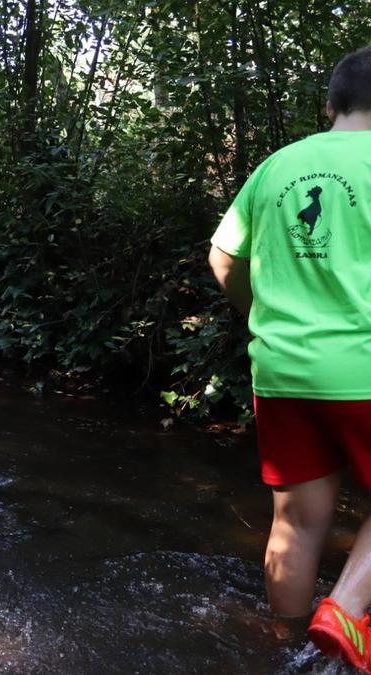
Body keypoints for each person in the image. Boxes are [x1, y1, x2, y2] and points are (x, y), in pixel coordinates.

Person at [207, 45, 371, 671]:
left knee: (297, 525)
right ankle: (348, 610)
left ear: (331, 103)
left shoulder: (278, 166)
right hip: (362, 366)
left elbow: (223, 259)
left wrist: (259, 317)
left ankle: (289, 654)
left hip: (280, 369)